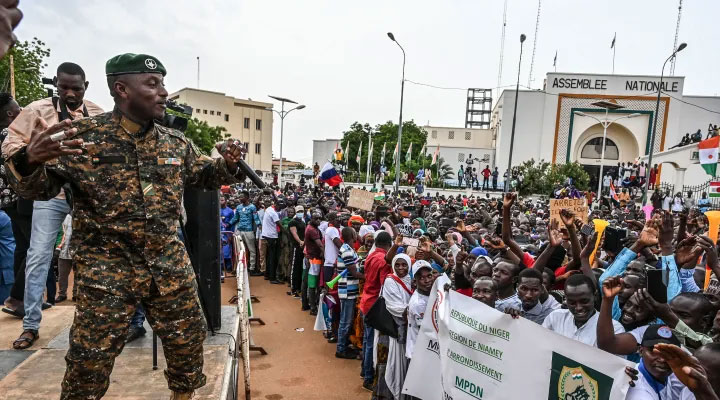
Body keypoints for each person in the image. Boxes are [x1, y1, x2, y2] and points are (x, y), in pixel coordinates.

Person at [5, 53, 249, 399]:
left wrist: (228, 164)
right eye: (152, 84)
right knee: (88, 364)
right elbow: (37, 189)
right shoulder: (83, 138)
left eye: (163, 83)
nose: (163, 92)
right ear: (121, 89)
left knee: (188, 343)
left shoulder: (174, 142)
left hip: (167, 265)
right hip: (108, 271)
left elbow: (206, 175)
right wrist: (29, 160)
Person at [3, 62, 105, 349]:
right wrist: (33, 153)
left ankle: (93, 325)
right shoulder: (35, 111)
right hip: (49, 195)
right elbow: (10, 146)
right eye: (64, 87)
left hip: (85, 196)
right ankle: (30, 325)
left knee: (95, 257)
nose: (70, 93)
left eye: (77, 88)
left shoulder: (98, 114)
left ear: (86, 87)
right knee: (37, 256)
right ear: (56, 85)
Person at [542, 274, 624, 347]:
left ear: (594, 296)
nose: (578, 308)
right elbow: (541, 344)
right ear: (565, 299)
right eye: (572, 303)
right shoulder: (555, 318)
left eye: (584, 301)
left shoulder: (615, 329)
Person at [375, 253, 412, 399]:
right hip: (391, 331)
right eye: (397, 265)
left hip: (405, 330)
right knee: (389, 364)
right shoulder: (390, 281)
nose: (401, 268)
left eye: (404, 264)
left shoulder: (411, 280)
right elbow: (394, 306)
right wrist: (414, 311)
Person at [358, 231, 393, 391]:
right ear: (388, 244)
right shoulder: (383, 260)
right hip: (374, 305)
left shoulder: (371, 256)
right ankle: (368, 377)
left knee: (367, 339)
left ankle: (364, 371)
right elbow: (384, 285)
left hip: (366, 301)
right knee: (372, 342)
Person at [625, 325, 685, 400]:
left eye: (670, 353)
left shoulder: (670, 374)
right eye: (654, 351)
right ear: (641, 351)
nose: (662, 359)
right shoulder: (639, 393)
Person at [335, 227, 362, 359]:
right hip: (347, 291)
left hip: (350, 290)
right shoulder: (346, 251)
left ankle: (344, 345)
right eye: (355, 232)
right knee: (345, 321)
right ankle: (341, 349)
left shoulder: (349, 249)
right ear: (352, 235)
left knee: (347, 320)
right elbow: (354, 273)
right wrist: (368, 277)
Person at [406, 260, 434, 360]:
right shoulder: (418, 303)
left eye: (429, 276)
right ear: (414, 281)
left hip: (425, 350)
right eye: (422, 278)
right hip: (418, 354)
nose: (427, 281)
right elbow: (426, 331)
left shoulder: (430, 293)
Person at [231, 190, 259, 275]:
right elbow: (235, 218)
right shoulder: (239, 207)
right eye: (240, 196)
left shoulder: (252, 207)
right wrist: (228, 223)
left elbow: (256, 218)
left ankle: (252, 268)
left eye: (242, 196)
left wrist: (259, 226)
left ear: (247, 198)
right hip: (240, 231)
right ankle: (240, 267)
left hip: (249, 231)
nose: (240, 198)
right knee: (240, 250)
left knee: (252, 250)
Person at [261, 198, 282, 284]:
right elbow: (279, 224)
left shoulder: (268, 210)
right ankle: (272, 278)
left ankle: (267, 274)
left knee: (269, 256)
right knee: (273, 258)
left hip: (267, 235)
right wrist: (288, 234)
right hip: (272, 236)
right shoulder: (273, 212)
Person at [288, 205, 306, 298]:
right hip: (296, 246)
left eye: (302, 211)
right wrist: (300, 241)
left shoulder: (302, 222)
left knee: (299, 268)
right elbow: (294, 233)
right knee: (294, 268)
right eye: (299, 211)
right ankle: (293, 289)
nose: (300, 212)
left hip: (302, 248)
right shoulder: (292, 222)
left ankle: (298, 288)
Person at [55, 214, 73, 303]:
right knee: (62, 275)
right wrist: (58, 248)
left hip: (77, 251)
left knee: (79, 274)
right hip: (63, 251)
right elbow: (60, 233)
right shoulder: (63, 217)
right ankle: (62, 294)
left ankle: (76, 293)